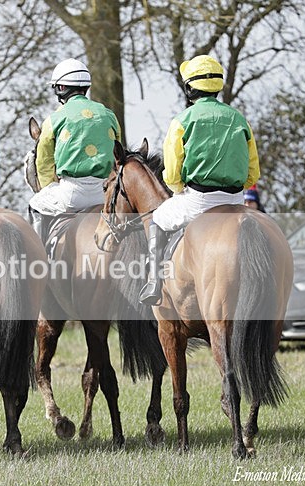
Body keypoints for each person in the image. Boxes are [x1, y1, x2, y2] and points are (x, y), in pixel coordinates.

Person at [139, 55, 260, 305]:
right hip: (237, 200)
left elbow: (172, 174)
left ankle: (153, 283)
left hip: (198, 201)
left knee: (158, 219)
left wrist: (178, 188)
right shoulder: (240, 120)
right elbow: (253, 174)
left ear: (190, 87)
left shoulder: (182, 121)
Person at [28, 58, 121, 241]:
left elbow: (44, 160)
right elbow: (118, 154)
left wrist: (49, 187)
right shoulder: (109, 115)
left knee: (35, 204)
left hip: (71, 194)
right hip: (104, 194)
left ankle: (38, 257)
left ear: (61, 88)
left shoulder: (54, 118)